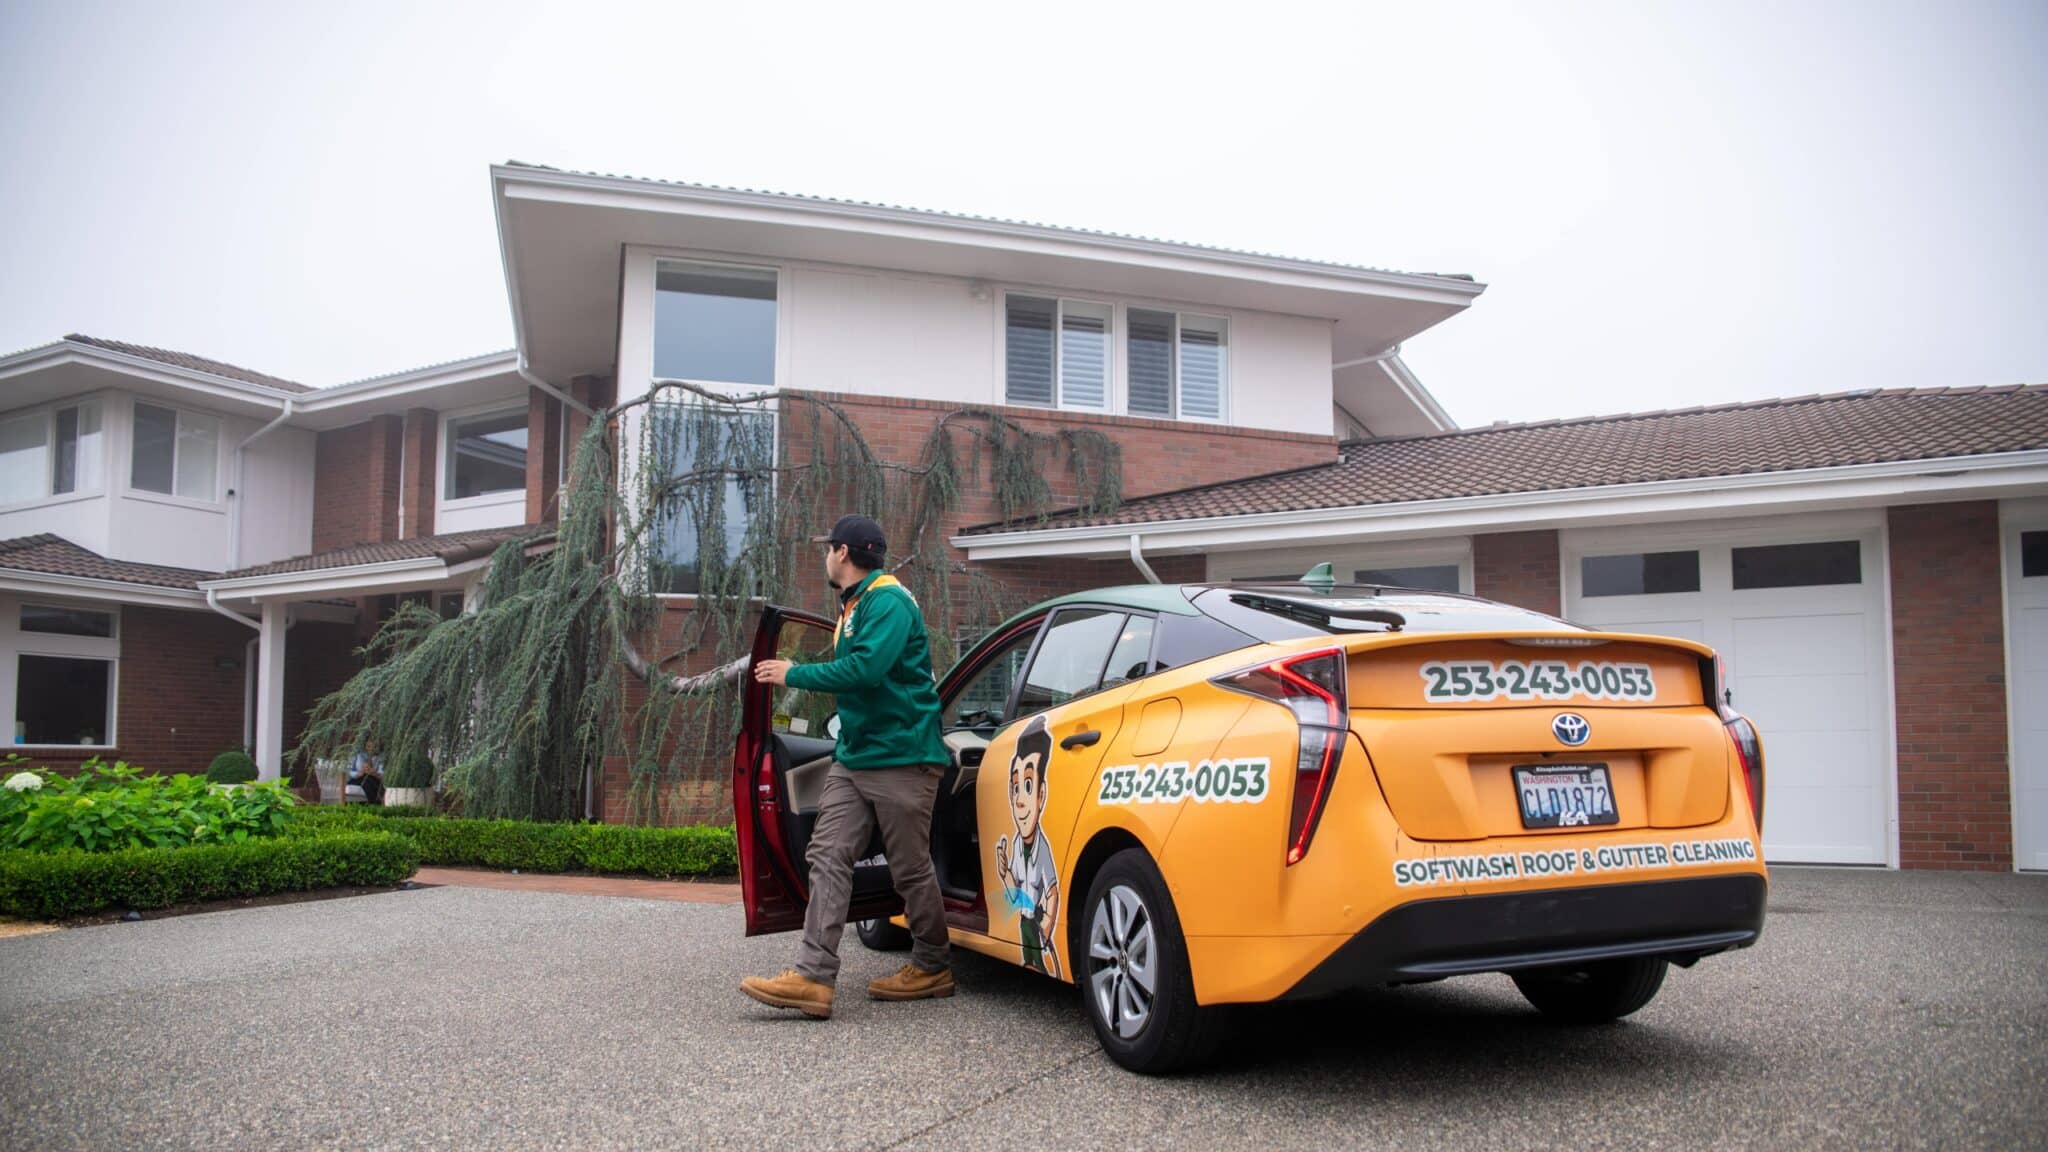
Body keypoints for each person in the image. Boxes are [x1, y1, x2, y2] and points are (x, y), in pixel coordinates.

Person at [740, 514, 954, 1020]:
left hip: (902, 757)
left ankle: (933, 964)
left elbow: (865, 670)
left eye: (826, 549)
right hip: (855, 756)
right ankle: (813, 977)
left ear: (841, 552)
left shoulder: (889, 600)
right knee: (828, 852)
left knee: (908, 868)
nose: (824, 558)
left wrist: (793, 672)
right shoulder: (857, 605)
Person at [348, 740, 385, 806]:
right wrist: (359, 773)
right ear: (365, 746)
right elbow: (349, 771)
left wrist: (373, 772)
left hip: (373, 779)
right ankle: (375, 804)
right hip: (357, 779)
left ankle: (372, 804)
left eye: (374, 747)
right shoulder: (358, 755)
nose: (371, 749)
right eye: (368, 746)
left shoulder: (381, 757)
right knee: (367, 781)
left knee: (369, 781)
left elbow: (381, 774)